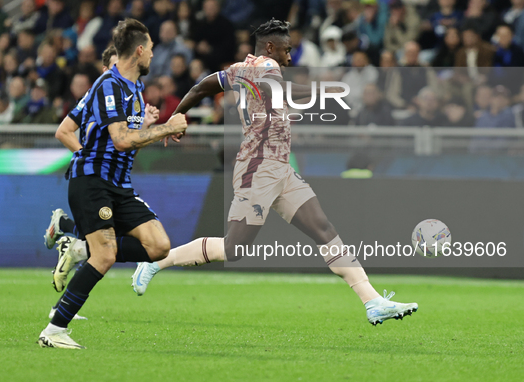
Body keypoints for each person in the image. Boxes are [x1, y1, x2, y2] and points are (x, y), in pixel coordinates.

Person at [131, 19, 418, 326]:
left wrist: (176, 115)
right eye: (286, 49)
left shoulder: (240, 69)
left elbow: (202, 86)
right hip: (258, 167)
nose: (289, 57)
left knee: (324, 229)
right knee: (234, 248)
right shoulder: (266, 67)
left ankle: (372, 301)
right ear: (270, 47)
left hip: (279, 167)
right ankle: (159, 261)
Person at [37, 19, 188, 349]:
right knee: (105, 256)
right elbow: (119, 140)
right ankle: (54, 330)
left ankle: (80, 245)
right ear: (138, 50)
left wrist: (158, 131)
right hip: (92, 182)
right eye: (150, 48)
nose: (152, 54)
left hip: (119, 185)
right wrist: (165, 126)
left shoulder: (134, 89)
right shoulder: (110, 84)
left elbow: (125, 142)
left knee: (159, 246)